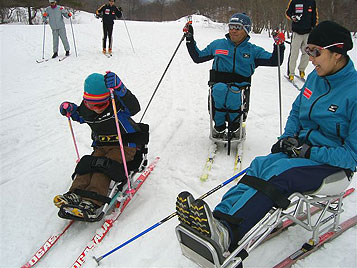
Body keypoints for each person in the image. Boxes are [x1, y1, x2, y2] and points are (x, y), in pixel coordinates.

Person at [177, 21, 356, 255]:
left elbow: (351, 156)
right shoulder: (316, 78)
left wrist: (309, 152)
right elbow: (297, 111)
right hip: (302, 151)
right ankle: (218, 220)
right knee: (260, 165)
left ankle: (230, 232)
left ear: (337, 53)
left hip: (331, 164)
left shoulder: (353, 92)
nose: (310, 58)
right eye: (308, 50)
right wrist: (288, 138)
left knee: (279, 176)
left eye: (316, 52)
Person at [54, 72, 142, 219]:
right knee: (88, 165)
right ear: (85, 101)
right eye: (91, 104)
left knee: (104, 167)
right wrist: (70, 110)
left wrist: (121, 88)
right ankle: (75, 193)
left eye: (101, 104)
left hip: (125, 145)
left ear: (109, 98)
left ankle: (92, 200)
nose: (96, 108)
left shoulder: (117, 105)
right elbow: (79, 115)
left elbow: (134, 108)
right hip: (101, 146)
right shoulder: (87, 110)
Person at [183, 13, 285, 138]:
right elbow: (198, 57)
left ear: (246, 30)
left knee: (234, 93)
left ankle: (234, 125)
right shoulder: (218, 45)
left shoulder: (253, 50)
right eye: (231, 27)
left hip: (240, 85)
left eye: (238, 27)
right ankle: (219, 126)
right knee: (220, 90)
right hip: (219, 82)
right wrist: (189, 39)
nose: (233, 31)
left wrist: (279, 45)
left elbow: (275, 61)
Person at [286, 0, 318, 81]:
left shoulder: (312, 2)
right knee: (294, 54)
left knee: (307, 54)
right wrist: (293, 17)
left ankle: (302, 70)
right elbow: (288, 12)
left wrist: (314, 29)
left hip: (307, 32)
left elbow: (314, 15)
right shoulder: (294, 1)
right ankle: (291, 73)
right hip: (297, 32)